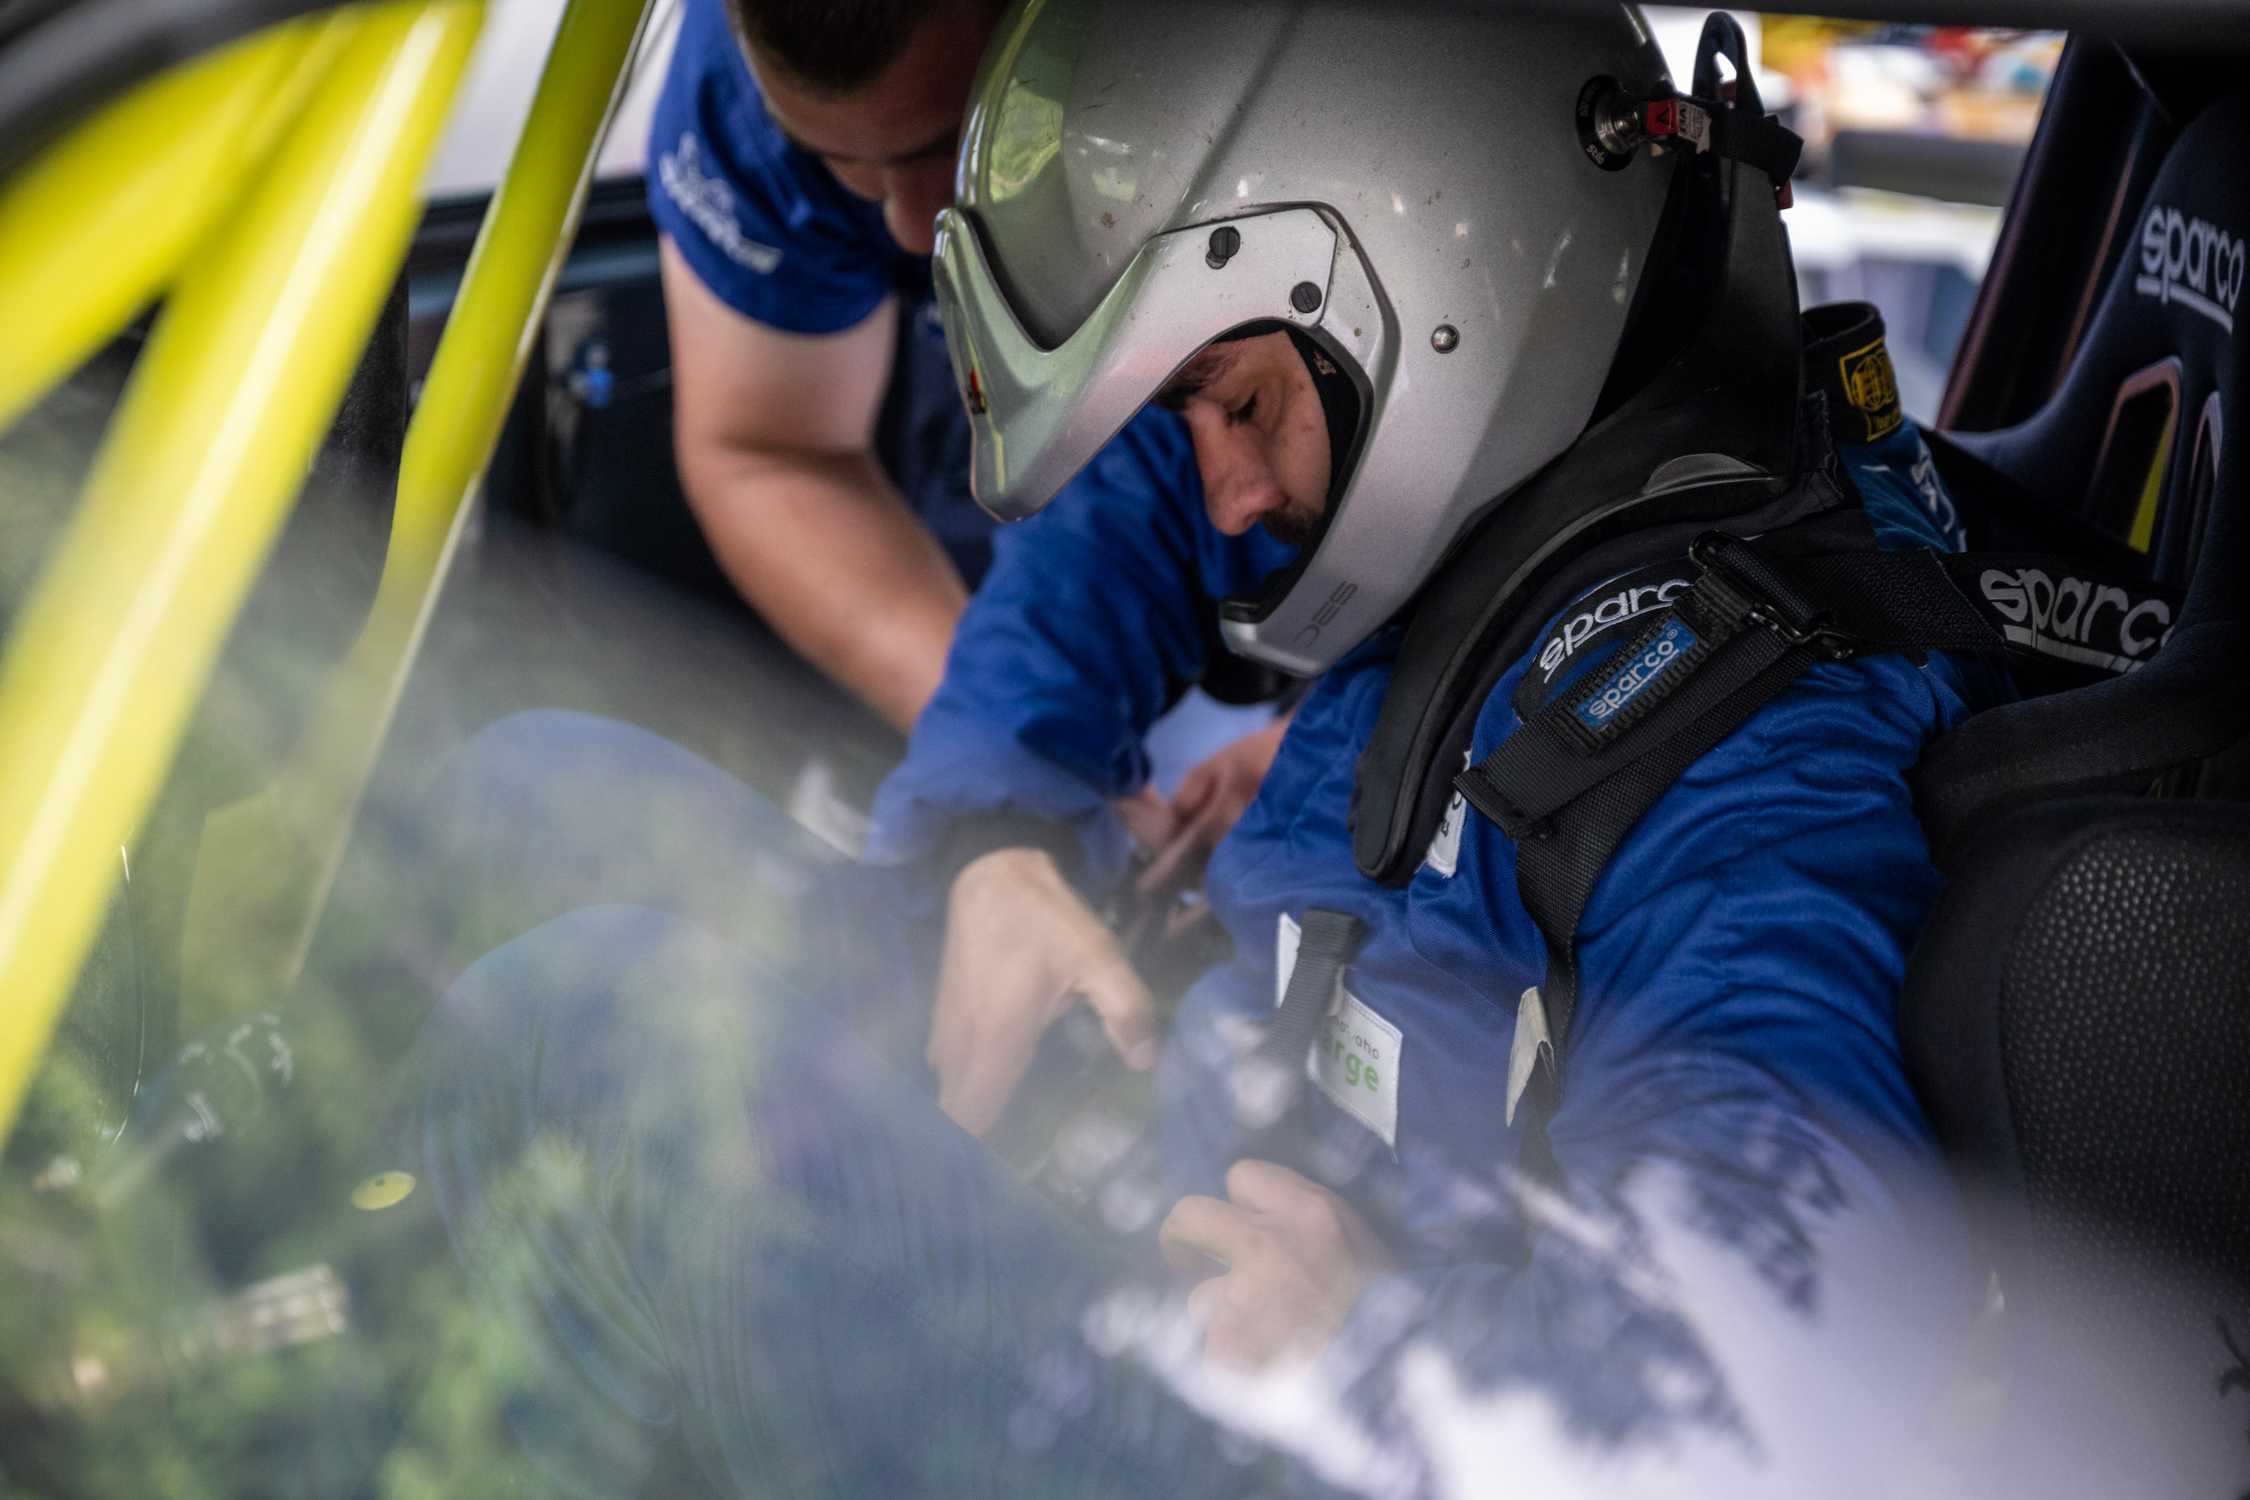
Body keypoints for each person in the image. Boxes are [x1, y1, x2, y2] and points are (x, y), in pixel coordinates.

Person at [418, 3, 1993, 1492]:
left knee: (570, 1023)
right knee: (527, 778)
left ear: (1437, 282)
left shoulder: (1740, 742)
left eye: (1233, 408)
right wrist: (993, 840)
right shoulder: (1492, 456)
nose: (1228, 488)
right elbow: (1124, 526)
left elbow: (1799, 1335)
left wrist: (1390, 1354)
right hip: (1163, 1132)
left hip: (1247, 1414)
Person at [648, 0, 1290, 875]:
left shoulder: (1270, 55)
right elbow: (771, 450)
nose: (909, 226)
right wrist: (1007, 757)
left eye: (955, 139)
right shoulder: (753, 74)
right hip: (999, 603)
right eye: (842, 162)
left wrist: (1340, 753)